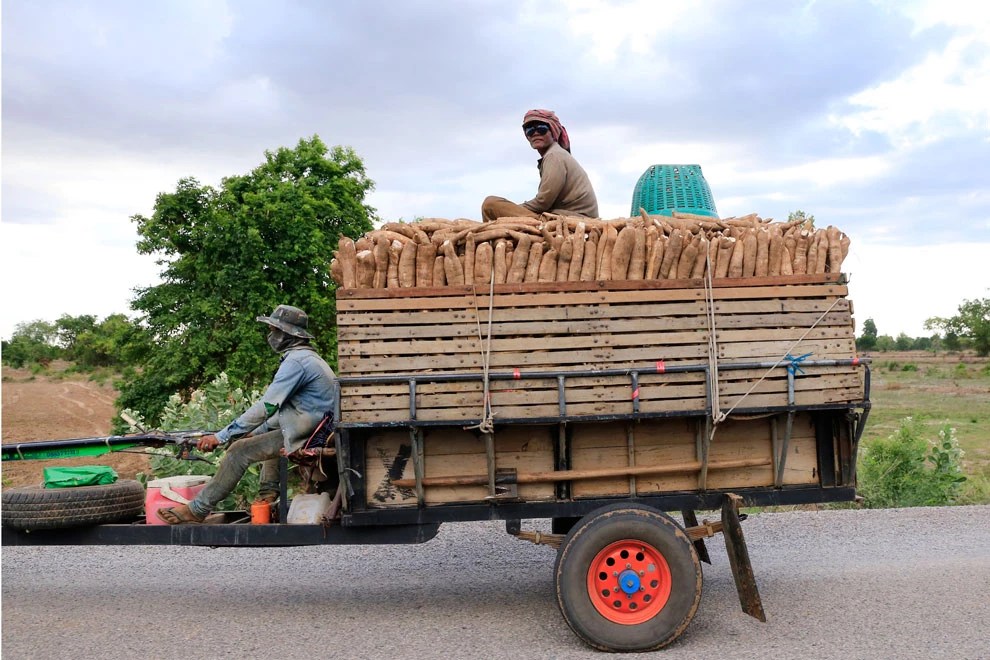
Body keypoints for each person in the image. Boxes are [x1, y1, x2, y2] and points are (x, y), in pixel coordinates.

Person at [157, 304, 338, 524]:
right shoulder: (309, 358)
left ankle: (197, 510)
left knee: (238, 452)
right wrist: (253, 431)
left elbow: (267, 407)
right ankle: (268, 495)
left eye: (274, 331)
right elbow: (284, 413)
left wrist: (221, 437)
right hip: (313, 428)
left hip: (310, 435)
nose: (270, 335)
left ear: (289, 335)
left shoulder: (296, 362)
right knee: (259, 440)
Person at [482, 109, 599, 222]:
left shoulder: (554, 156)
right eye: (530, 130)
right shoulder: (555, 154)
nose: (535, 133)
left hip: (570, 218)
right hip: (564, 216)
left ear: (553, 132)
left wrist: (512, 209)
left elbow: (543, 202)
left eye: (542, 129)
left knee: (490, 204)